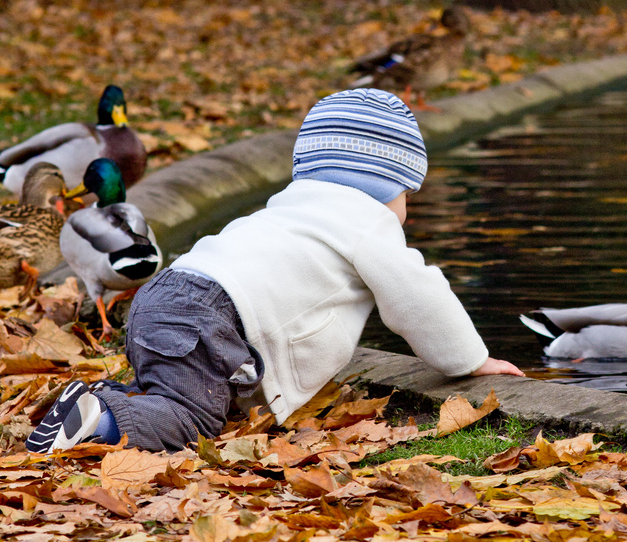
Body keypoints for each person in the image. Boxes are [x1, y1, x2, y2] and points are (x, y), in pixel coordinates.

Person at [26, 88, 524, 455]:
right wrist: (470, 361)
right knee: (193, 418)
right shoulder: (368, 220)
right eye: (407, 195)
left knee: (181, 390)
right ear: (390, 184)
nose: (405, 209)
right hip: (210, 314)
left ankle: (99, 402)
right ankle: (102, 418)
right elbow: (418, 296)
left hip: (166, 293)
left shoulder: (286, 205)